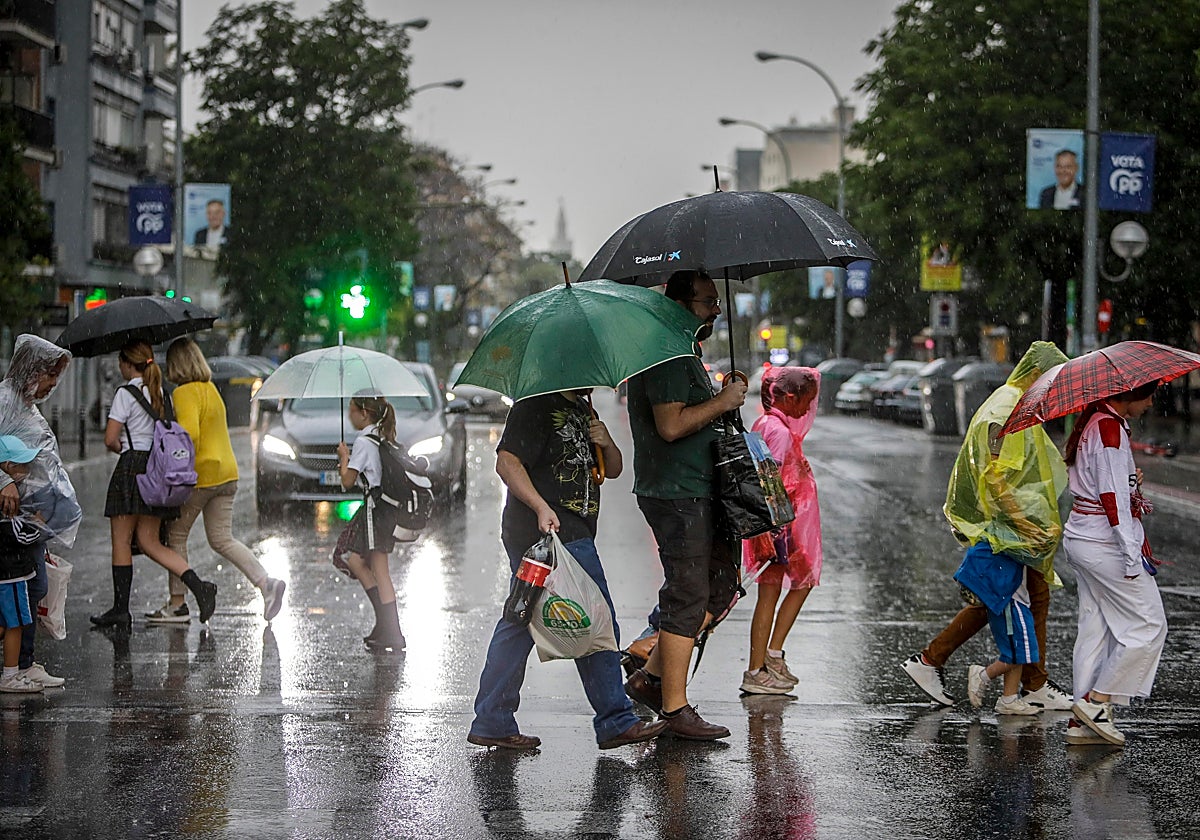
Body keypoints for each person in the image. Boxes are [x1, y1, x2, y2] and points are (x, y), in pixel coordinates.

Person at [468, 389, 666, 751]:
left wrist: (605, 442)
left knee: (520, 622)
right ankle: (615, 719)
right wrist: (542, 507)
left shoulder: (579, 408)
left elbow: (615, 469)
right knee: (593, 617)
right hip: (548, 533)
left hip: (567, 531)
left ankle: (492, 720)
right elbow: (507, 462)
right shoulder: (535, 404)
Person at [901, 341, 1073, 712]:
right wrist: (1027, 523)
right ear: (1039, 375)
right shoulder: (1008, 407)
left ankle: (1031, 682)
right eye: (1054, 381)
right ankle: (934, 660)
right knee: (1000, 598)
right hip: (1010, 528)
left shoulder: (1015, 402)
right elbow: (997, 477)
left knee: (1024, 598)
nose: (1055, 391)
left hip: (1018, 527)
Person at [623, 269, 747, 741]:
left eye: (716, 300)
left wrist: (722, 399)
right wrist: (723, 401)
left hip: (698, 488)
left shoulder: (683, 348)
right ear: (680, 304)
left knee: (716, 588)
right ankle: (674, 709)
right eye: (707, 301)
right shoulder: (669, 351)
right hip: (678, 492)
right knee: (688, 593)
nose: (717, 309)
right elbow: (671, 425)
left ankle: (651, 680)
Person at [147, 338, 285, 624]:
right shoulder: (211, 389)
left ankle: (177, 604)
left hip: (202, 476)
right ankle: (265, 582)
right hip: (227, 473)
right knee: (222, 538)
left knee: (176, 535)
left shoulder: (185, 392)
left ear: (176, 365)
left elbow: (190, 437)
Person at [1060, 381, 1166, 747]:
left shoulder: (1097, 421)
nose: (1152, 403)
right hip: (1105, 543)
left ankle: (1081, 721)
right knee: (1149, 626)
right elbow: (1112, 498)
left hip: (1082, 537)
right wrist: (1131, 553)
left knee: (1096, 628)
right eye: (1149, 395)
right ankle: (1097, 702)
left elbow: (1107, 485)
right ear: (1129, 395)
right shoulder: (1108, 429)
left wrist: (1130, 481)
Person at [90, 340, 218, 630]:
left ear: (126, 363)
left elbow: (110, 438)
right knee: (149, 541)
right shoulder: (161, 391)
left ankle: (120, 610)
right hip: (156, 469)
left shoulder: (125, 393)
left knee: (122, 541)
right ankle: (199, 586)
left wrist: (121, 447)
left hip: (132, 468)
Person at [0, 334, 79, 689]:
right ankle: (14, 665)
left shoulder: (28, 407)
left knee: (34, 587)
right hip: (8, 520)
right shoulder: (4, 401)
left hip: (29, 520)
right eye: (50, 375)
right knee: (18, 590)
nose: (52, 384)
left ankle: (24, 661)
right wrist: (4, 481)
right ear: (33, 369)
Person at [740, 367, 822, 695]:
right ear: (790, 397)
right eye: (806, 401)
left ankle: (757, 668)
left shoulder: (768, 423)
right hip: (783, 527)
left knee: (769, 595)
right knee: (801, 583)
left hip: (772, 525)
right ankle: (771, 656)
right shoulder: (780, 432)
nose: (807, 409)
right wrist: (776, 532)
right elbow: (770, 481)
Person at [332, 390, 408, 651]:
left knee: (379, 570)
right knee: (355, 560)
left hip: (376, 511)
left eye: (352, 410)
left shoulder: (364, 442)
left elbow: (347, 481)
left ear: (364, 413)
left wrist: (344, 458)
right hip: (383, 511)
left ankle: (392, 632)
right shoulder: (380, 436)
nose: (349, 415)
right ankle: (386, 627)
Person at [0, 436, 48, 693]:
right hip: (12, 574)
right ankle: (10, 674)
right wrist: (38, 524)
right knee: (14, 623)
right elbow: (19, 535)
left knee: (4, 623)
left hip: (8, 573)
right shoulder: (9, 499)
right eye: (22, 465)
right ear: (6, 466)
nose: (27, 470)